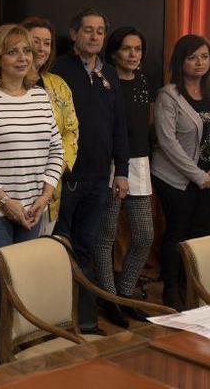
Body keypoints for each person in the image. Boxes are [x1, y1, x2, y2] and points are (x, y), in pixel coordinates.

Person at [0, 24, 64, 352]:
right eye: (12, 51)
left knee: (21, 281)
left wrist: (45, 196)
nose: (22, 58)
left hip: (33, 207)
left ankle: (12, 348)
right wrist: (6, 202)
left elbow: (56, 150)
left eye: (27, 52)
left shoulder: (40, 96)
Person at [52, 8, 129, 334]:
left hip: (100, 180)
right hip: (67, 179)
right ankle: (55, 320)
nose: (94, 36)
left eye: (100, 31)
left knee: (87, 249)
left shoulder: (109, 73)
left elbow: (119, 126)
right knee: (59, 251)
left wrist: (121, 170)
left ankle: (84, 321)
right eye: (88, 30)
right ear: (74, 34)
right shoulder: (59, 70)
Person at [152, 34, 210, 310]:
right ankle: (171, 287)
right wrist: (198, 176)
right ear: (181, 61)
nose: (199, 62)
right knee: (178, 231)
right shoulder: (169, 95)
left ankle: (192, 284)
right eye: (192, 57)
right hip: (177, 177)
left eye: (204, 56)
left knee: (201, 230)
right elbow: (167, 141)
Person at [93, 27, 155, 326]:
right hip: (111, 166)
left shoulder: (144, 80)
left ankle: (126, 293)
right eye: (127, 49)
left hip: (140, 164)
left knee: (144, 234)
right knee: (105, 237)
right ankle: (109, 300)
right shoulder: (105, 80)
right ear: (115, 51)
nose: (133, 54)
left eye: (138, 49)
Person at [20, 17, 79, 236]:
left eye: (47, 43)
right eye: (36, 41)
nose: (42, 48)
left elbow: (71, 132)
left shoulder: (58, 84)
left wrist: (54, 175)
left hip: (51, 188)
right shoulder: (3, 85)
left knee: (40, 256)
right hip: (13, 189)